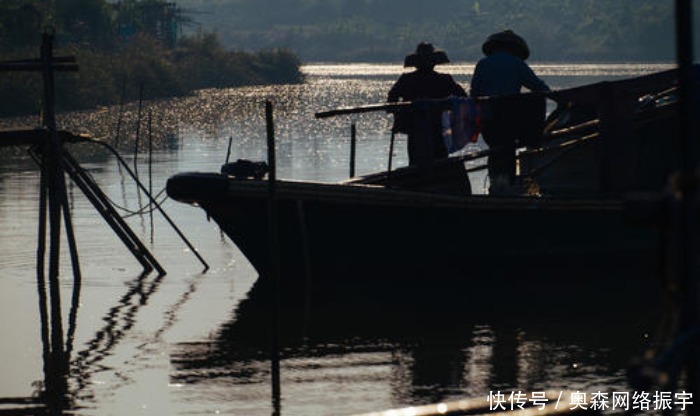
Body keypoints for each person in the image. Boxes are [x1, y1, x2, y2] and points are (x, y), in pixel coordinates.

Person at [470, 30, 550, 193]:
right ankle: (507, 186)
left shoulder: (483, 64)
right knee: (507, 151)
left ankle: (496, 186)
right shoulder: (516, 63)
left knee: (495, 149)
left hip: (488, 118)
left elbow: (474, 93)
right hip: (510, 118)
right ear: (515, 48)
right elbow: (540, 87)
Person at [388, 42, 467, 166]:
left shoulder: (406, 79)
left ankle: (417, 182)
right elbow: (463, 98)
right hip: (438, 126)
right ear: (434, 62)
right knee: (440, 159)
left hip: (415, 127)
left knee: (415, 160)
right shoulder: (444, 79)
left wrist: (399, 113)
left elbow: (391, 100)